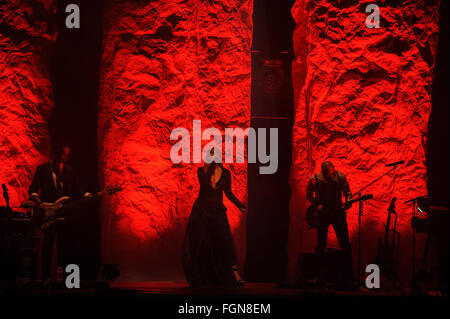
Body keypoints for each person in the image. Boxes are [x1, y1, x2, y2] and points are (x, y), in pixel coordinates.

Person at [182, 151, 247, 287]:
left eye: (215, 155)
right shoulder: (201, 171)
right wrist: (210, 170)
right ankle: (201, 275)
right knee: (202, 242)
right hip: (202, 211)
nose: (213, 157)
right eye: (210, 155)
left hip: (217, 211)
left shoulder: (226, 174)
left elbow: (228, 193)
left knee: (225, 240)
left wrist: (239, 205)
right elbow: (206, 185)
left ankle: (235, 274)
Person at [29, 144, 88, 282]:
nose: (67, 157)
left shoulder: (69, 170)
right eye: (65, 154)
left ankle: (68, 279)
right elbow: (32, 189)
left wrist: (86, 194)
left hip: (65, 213)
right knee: (48, 245)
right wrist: (40, 203)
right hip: (49, 214)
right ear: (57, 154)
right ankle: (45, 278)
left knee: (67, 246)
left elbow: (78, 188)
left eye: (67, 154)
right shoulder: (42, 170)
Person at [306, 161, 354, 287]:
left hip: (337, 212)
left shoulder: (341, 177)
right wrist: (317, 204)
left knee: (344, 243)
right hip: (323, 214)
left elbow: (347, 193)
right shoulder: (315, 179)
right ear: (323, 173)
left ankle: (349, 276)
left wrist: (348, 202)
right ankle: (319, 276)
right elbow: (309, 195)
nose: (332, 176)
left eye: (333, 173)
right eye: (329, 174)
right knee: (321, 244)